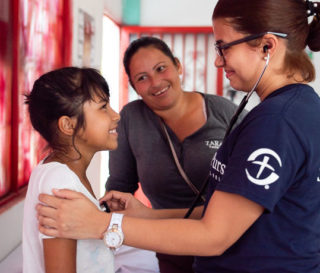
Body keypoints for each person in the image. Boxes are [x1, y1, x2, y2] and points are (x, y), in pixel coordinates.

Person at [36, 0, 320, 272]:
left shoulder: (275, 123)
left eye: (223, 47)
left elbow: (214, 235)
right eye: (141, 77)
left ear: (267, 46)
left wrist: (100, 225)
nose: (217, 62)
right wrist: (143, 216)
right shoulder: (290, 110)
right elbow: (227, 212)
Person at [106, 36, 244, 273]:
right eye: (142, 78)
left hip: (233, 246)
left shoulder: (223, 112)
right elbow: (119, 188)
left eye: (161, 68)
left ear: (178, 66)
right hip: (172, 246)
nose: (156, 82)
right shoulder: (131, 119)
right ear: (134, 86)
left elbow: (252, 185)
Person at [22, 67, 120, 273]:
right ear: (68, 125)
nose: (116, 115)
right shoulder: (60, 183)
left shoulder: (60, 170)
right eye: (103, 107)